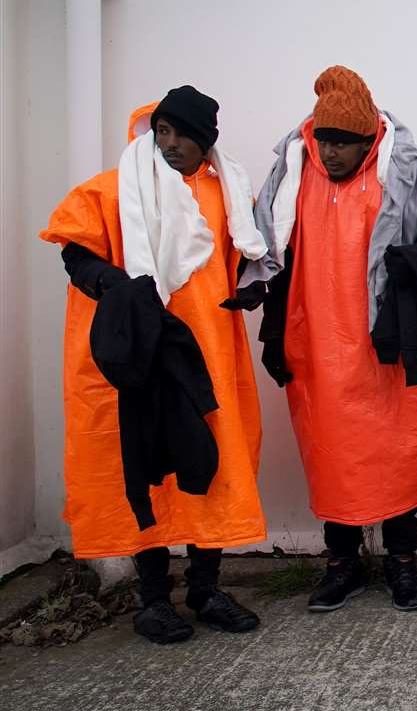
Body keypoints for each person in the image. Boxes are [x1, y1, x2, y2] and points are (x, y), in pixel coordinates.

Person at [247, 66, 417, 612]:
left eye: (343, 143)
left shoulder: (404, 173)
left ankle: (403, 564)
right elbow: (257, 237)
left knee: (399, 455)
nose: (330, 153)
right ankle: (342, 566)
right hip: (318, 348)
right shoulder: (293, 178)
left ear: (369, 139)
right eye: (324, 140)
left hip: (389, 346)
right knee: (332, 458)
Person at [40, 87, 267, 644]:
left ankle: (207, 588)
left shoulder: (228, 194)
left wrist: (252, 288)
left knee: (208, 461)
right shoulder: (113, 189)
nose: (168, 144)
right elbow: (75, 250)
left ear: (205, 140)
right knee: (145, 465)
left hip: (207, 356)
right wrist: (115, 285)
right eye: (161, 131)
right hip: (137, 359)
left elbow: (249, 258)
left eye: (180, 134)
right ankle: (152, 599)